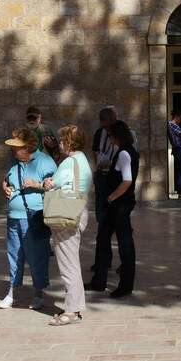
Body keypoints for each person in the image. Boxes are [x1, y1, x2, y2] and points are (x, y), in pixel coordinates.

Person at [0, 126, 56, 309]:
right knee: (14, 255)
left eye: (16, 146)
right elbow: (6, 180)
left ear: (27, 147)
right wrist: (5, 188)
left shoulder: (45, 162)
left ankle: (38, 293)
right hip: (14, 216)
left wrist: (37, 184)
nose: (13, 149)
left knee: (36, 257)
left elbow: (56, 187)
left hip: (35, 217)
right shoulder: (15, 162)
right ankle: (12, 292)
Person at [43, 124, 93, 325]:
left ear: (71, 143)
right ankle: (75, 308)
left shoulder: (69, 162)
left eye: (63, 140)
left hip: (65, 215)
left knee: (68, 265)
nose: (60, 143)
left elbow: (53, 183)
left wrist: (47, 183)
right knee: (71, 262)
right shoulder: (82, 160)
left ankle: (72, 311)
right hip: (77, 212)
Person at [87, 120, 138, 297]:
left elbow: (127, 180)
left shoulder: (124, 153)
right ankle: (99, 282)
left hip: (119, 206)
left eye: (110, 135)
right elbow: (121, 170)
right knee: (103, 240)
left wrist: (111, 197)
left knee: (124, 245)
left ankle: (125, 286)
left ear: (117, 136)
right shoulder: (127, 152)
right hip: (117, 205)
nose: (109, 138)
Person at [91, 107, 117, 224]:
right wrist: (98, 167)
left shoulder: (124, 132)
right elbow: (96, 151)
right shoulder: (100, 132)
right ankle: (103, 227)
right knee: (101, 205)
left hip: (116, 173)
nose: (106, 129)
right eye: (104, 126)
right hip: (102, 173)